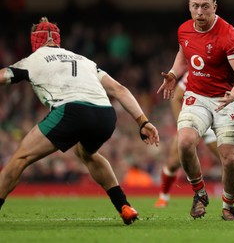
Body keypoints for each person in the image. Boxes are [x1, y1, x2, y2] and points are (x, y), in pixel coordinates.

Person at [0, 17, 160, 225]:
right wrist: (143, 122)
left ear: (34, 41)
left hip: (71, 111)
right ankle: (124, 205)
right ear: (58, 40)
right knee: (87, 153)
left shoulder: (32, 60)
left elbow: (4, 76)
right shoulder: (84, 60)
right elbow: (119, 90)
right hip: (105, 114)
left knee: (19, 159)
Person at [157, 0, 234, 221]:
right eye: (195, 6)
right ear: (189, 8)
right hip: (196, 96)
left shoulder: (228, 35)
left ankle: (228, 205)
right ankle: (199, 193)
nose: (199, 11)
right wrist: (172, 73)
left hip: (224, 98)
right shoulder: (184, 30)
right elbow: (183, 56)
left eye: (205, 6)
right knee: (185, 142)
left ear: (214, 7)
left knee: (229, 158)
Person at [154, 72, 234, 208]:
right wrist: (183, 124)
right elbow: (176, 97)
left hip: (216, 120)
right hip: (195, 117)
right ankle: (163, 196)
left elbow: (233, 101)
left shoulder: (225, 72)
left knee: (228, 158)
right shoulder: (196, 71)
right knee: (174, 162)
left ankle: (233, 194)